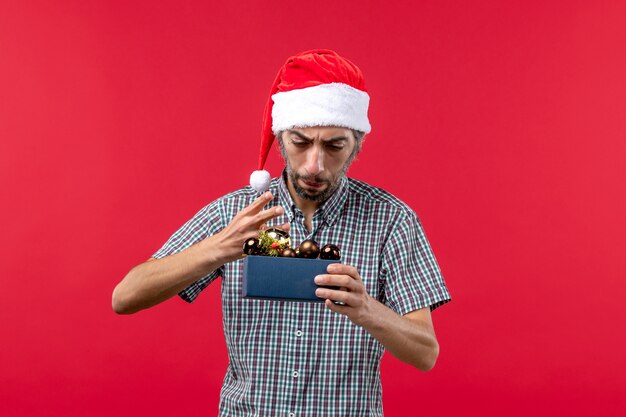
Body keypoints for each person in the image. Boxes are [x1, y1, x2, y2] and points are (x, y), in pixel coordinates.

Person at [112, 49, 451, 417]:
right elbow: (125, 296)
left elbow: (425, 353)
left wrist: (366, 309)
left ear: (357, 144)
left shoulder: (391, 221)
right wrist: (219, 248)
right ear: (280, 136)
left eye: (334, 146)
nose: (314, 165)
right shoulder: (237, 213)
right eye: (300, 142)